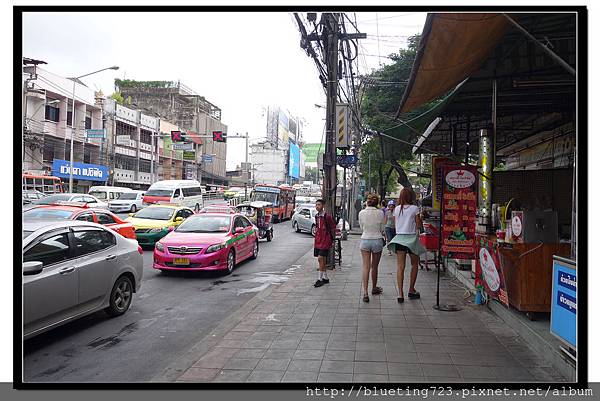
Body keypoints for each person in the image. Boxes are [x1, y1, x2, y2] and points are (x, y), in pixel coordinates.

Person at [388, 188, 426, 303]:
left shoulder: (396, 209)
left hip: (399, 239)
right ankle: (411, 289)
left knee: (400, 267)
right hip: (412, 239)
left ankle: (400, 294)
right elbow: (419, 225)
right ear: (411, 197)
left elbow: (395, 226)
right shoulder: (415, 209)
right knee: (414, 265)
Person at [358, 193, 386, 302]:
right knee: (375, 267)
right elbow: (382, 228)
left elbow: (361, 227)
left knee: (366, 267)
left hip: (365, 239)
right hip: (377, 240)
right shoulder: (380, 213)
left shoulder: (361, 213)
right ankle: (374, 288)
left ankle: (365, 293)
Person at [313, 198, 336, 288]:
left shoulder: (327, 216)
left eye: (319, 205)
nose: (317, 206)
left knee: (320, 258)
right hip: (318, 240)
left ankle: (320, 279)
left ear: (323, 206)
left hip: (325, 240)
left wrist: (332, 239)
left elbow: (333, 227)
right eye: (316, 205)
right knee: (321, 260)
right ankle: (325, 278)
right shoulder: (317, 216)